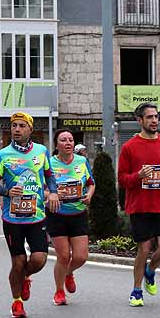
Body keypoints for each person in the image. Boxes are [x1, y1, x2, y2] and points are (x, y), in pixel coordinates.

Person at [0, 112, 60, 318]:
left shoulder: (41, 151)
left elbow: (49, 175)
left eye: (21, 126)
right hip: (12, 218)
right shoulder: (3, 155)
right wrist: (7, 192)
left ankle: (25, 277)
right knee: (17, 262)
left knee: (39, 260)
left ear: (30, 129)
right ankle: (17, 302)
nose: (16, 130)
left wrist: (53, 191)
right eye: (14, 126)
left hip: (36, 216)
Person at [117, 102, 160, 307]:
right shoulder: (129, 147)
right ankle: (136, 291)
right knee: (143, 249)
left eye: (156, 117)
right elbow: (122, 179)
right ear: (139, 121)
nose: (154, 120)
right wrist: (138, 176)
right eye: (149, 117)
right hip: (140, 206)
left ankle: (150, 271)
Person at [47, 130, 95, 306]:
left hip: (78, 213)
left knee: (81, 256)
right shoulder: (49, 163)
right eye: (63, 140)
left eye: (71, 140)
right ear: (56, 144)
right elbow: (41, 188)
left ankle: (68, 273)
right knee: (64, 255)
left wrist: (89, 196)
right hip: (57, 214)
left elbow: (91, 183)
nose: (68, 143)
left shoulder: (81, 162)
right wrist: (52, 194)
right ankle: (59, 291)